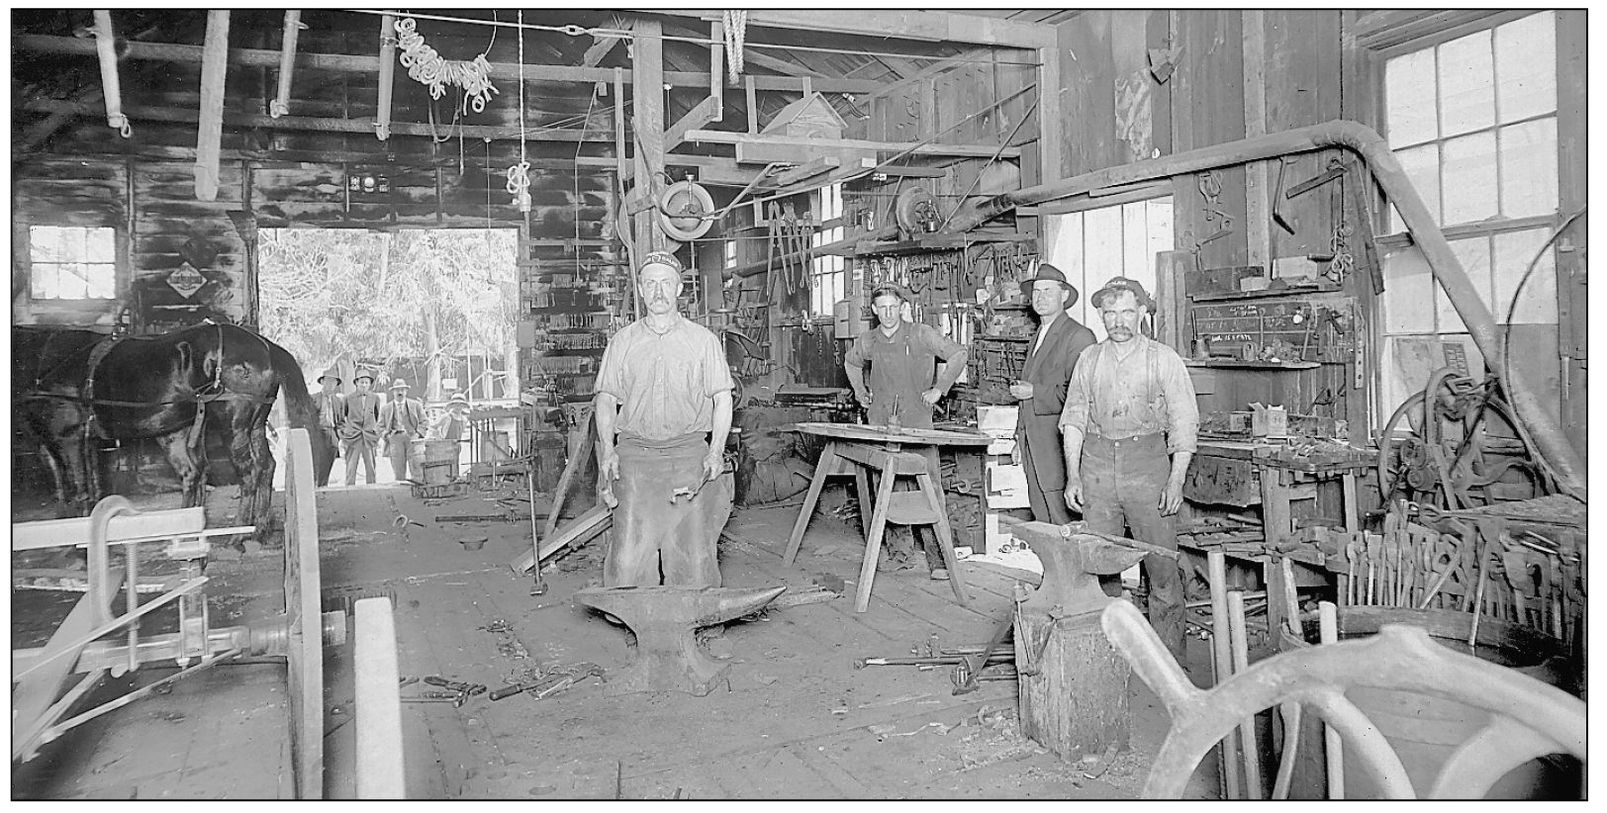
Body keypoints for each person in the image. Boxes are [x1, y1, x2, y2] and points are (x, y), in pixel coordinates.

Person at [1059, 276, 1198, 659]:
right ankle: (1110, 657)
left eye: (1126, 312)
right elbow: (1074, 419)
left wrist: (1176, 479)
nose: (1118, 320)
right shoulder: (1089, 359)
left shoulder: (1162, 358)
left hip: (1147, 465)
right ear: (1101, 316)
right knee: (1102, 568)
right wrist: (1073, 475)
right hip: (1098, 465)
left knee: (1162, 568)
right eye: (1109, 313)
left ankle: (1169, 661)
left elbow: (1184, 422)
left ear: (1140, 312)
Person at [593, 250, 735, 588]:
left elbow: (722, 398)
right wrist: (609, 452)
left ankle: (696, 617)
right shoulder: (622, 342)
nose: (659, 292)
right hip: (635, 458)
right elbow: (606, 399)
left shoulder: (703, 342)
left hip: (686, 457)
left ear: (679, 289)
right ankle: (636, 619)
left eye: (666, 283)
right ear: (641, 290)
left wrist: (715, 452)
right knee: (627, 561)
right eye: (651, 284)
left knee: (693, 560)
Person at [843, 282, 969, 579]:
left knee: (929, 489)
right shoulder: (869, 340)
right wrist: (861, 392)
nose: (888, 313)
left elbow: (958, 354)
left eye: (893, 307)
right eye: (881, 308)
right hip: (881, 425)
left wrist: (940, 389)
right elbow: (850, 363)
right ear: (874, 310)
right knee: (887, 489)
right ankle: (900, 555)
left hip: (917, 424)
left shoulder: (921, 334)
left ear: (902, 308)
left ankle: (940, 562)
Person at [1009, 263, 1097, 525]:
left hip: (1057, 447)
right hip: (1034, 445)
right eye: (1036, 291)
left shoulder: (1079, 336)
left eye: (1048, 290)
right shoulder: (1038, 335)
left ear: (1065, 296)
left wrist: (1034, 392)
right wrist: (1019, 438)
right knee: (1042, 518)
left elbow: (1081, 396)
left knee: (1064, 521)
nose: (1041, 297)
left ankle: (1071, 568)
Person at [339, 370, 383, 485]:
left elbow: (377, 417)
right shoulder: (348, 398)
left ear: (369, 384)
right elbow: (341, 418)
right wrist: (345, 434)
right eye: (361, 382)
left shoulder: (375, 398)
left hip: (369, 437)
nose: (364, 385)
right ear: (356, 383)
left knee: (371, 467)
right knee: (351, 467)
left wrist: (375, 432)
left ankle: (373, 491)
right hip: (353, 437)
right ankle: (349, 491)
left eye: (366, 382)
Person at [380, 378, 426, 481]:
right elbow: (379, 426)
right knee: (398, 467)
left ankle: (417, 487)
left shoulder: (416, 405)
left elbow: (424, 422)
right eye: (397, 390)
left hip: (412, 438)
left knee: (416, 466)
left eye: (402, 390)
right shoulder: (386, 408)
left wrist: (418, 434)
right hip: (395, 439)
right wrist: (387, 436)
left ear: (406, 391)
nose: (400, 392)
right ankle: (400, 489)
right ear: (393, 392)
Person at [311, 369, 346, 487]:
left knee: (328, 463)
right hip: (318, 433)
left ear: (336, 385)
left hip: (332, 434)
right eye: (328, 381)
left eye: (333, 382)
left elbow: (341, 422)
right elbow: (307, 418)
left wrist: (341, 434)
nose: (330, 384)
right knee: (316, 464)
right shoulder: (313, 398)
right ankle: (314, 487)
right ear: (322, 382)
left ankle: (323, 487)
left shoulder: (338, 401)